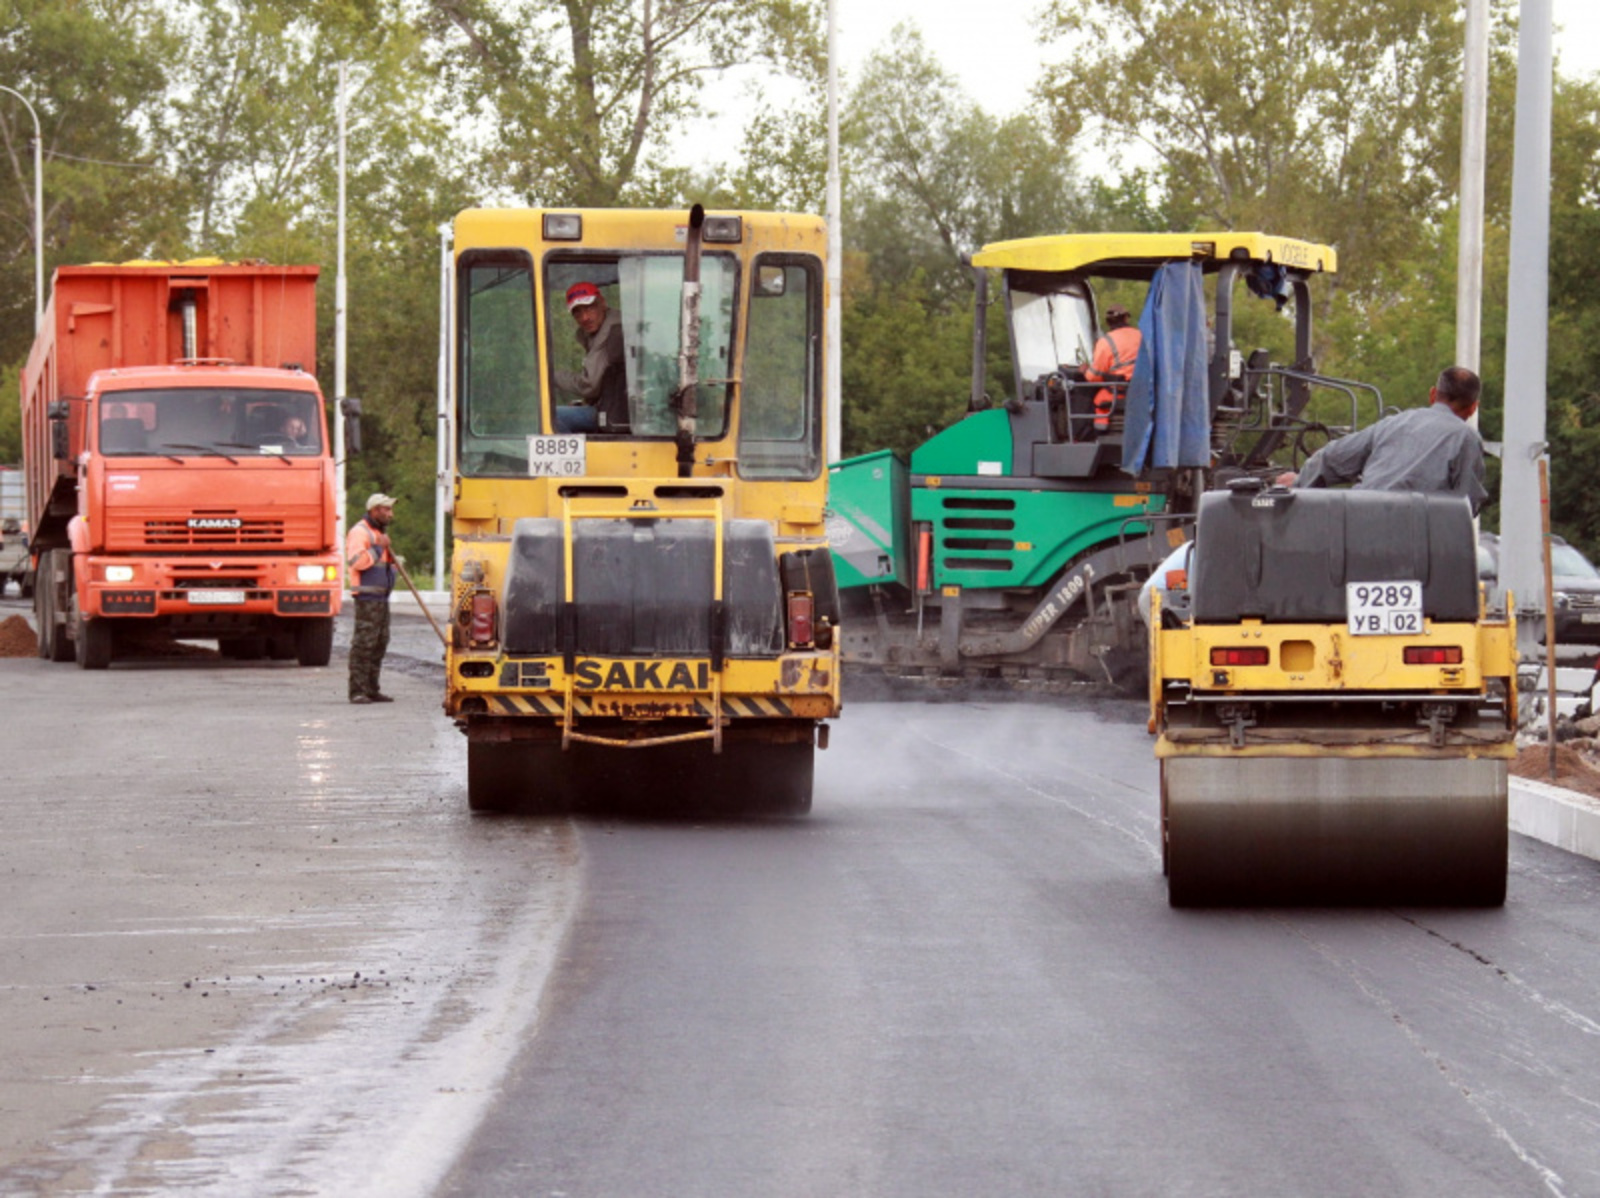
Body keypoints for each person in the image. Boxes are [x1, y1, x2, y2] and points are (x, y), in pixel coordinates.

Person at [1278, 365, 1487, 515]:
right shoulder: (1466, 438)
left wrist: (1298, 484)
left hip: (1356, 521)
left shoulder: (1393, 423)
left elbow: (1332, 457)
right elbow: (1466, 504)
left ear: (1433, 394)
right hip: (1415, 541)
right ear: (1473, 407)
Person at [554, 281, 627, 433]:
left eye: (589, 308)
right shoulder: (596, 332)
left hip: (618, 415)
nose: (585, 317)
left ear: (602, 303)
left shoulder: (613, 331)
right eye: (577, 312)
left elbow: (590, 386)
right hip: (612, 408)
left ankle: (570, 458)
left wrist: (551, 376)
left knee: (552, 417)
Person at [346, 492, 398, 704]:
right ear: (375, 510)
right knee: (364, 644)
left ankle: (371, 689)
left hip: (381, 598)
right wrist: (379, 548)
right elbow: (357, 562)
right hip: (367, 598)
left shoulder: (378, 533)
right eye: (387, 510)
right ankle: (357, 691)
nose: (390, 514)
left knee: (379, 643)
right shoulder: (361, 532)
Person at [1084, 303, 1142, 433]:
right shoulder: (1142, 336)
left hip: (1120, 394)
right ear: (1126, 318)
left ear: (1108, 322)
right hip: (1144, 391)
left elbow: (1093, 377)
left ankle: (1100, 431)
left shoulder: (1106, 341)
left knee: (1098, 400)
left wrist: (1085, 370)